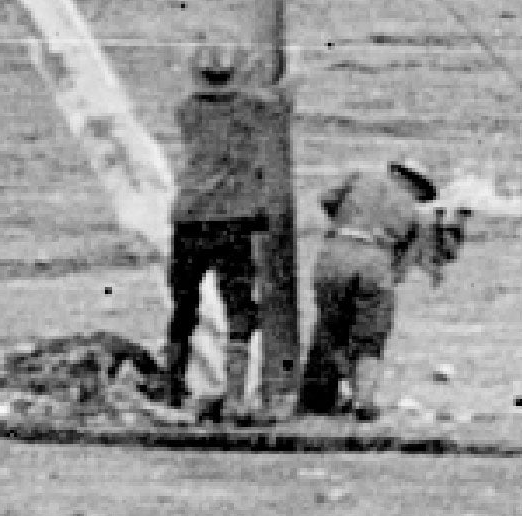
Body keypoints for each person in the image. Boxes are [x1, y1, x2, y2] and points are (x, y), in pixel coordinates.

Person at [161, 44, 289, 415]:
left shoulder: (186, 111)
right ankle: (235, 396)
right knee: (239, 308)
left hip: (189, 218)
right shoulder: (251, 110)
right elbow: (283, 99)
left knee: (184, 307)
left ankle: (174, 385)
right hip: (233, 219)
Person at [297, 157, 460, 420]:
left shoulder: (359, 177)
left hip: (334, 250)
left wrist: (348, 222)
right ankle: (363, 401)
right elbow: (402, 265)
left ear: (395, 171)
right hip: (375, 257)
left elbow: (326, 200)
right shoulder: (417, 214)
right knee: (371, 337)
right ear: (420, 187)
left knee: (329, 327)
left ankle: (318, 400)